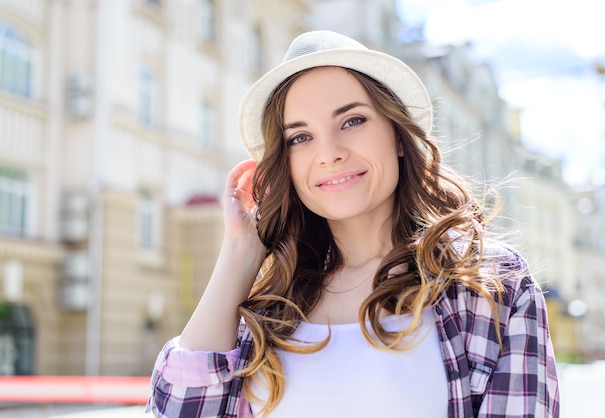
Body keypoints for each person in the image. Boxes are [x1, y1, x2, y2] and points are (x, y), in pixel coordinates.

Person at [146, 30, 559, 418]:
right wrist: (241, 251)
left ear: (398, 136)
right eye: (300, 137)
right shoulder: (266, 310)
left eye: (352, 121)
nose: (329, 153)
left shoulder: (490, 285)